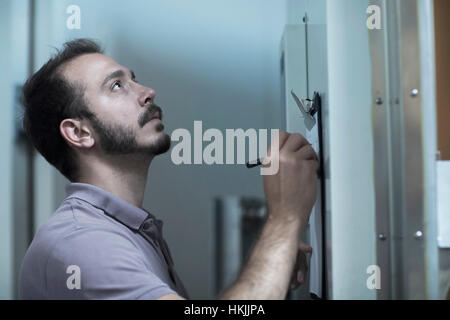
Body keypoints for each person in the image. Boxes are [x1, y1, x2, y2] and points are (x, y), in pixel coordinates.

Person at [19, 38, 319, 300]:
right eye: (117, 85)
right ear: (79, 133)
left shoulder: (128, 230)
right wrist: (283, 222)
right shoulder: (82, 242)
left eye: (132, 79)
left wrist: (274, 257)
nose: (148, 91)